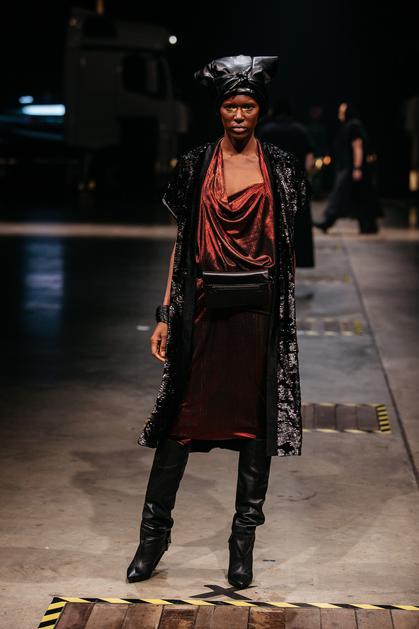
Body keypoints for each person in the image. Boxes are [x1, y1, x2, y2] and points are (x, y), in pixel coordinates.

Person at [127, 55, 310, 589]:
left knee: (255, 424)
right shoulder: (195, 164)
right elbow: (181, 245)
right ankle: (152, 539)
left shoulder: (281, 166)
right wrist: (165, 314)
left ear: (260, 110)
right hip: (202, 313)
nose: (238, 115)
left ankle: (242, 546)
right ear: (219, 110)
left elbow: (288, 248)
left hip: (258, 317)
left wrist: (287, 315)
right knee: (180, 421)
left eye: (247, 106)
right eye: (230, 106)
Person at [257, 98, 315, 268]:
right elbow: (309, 159)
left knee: (271, 223)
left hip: (271, 183)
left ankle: (271, 259)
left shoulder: (265, 131)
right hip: (295, 183)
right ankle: (300, 259)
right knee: (298, 224)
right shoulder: (301, 130)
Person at [313, 101, 381, 234]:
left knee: (339, 195)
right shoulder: (349, 126)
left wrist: (357, 168)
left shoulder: (354, 126)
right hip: (348, 166)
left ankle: (328, 220)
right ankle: (368, 225)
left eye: (342, 111)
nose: (340, 113)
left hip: (350, 168)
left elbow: (358, 147)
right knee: (361, 196)